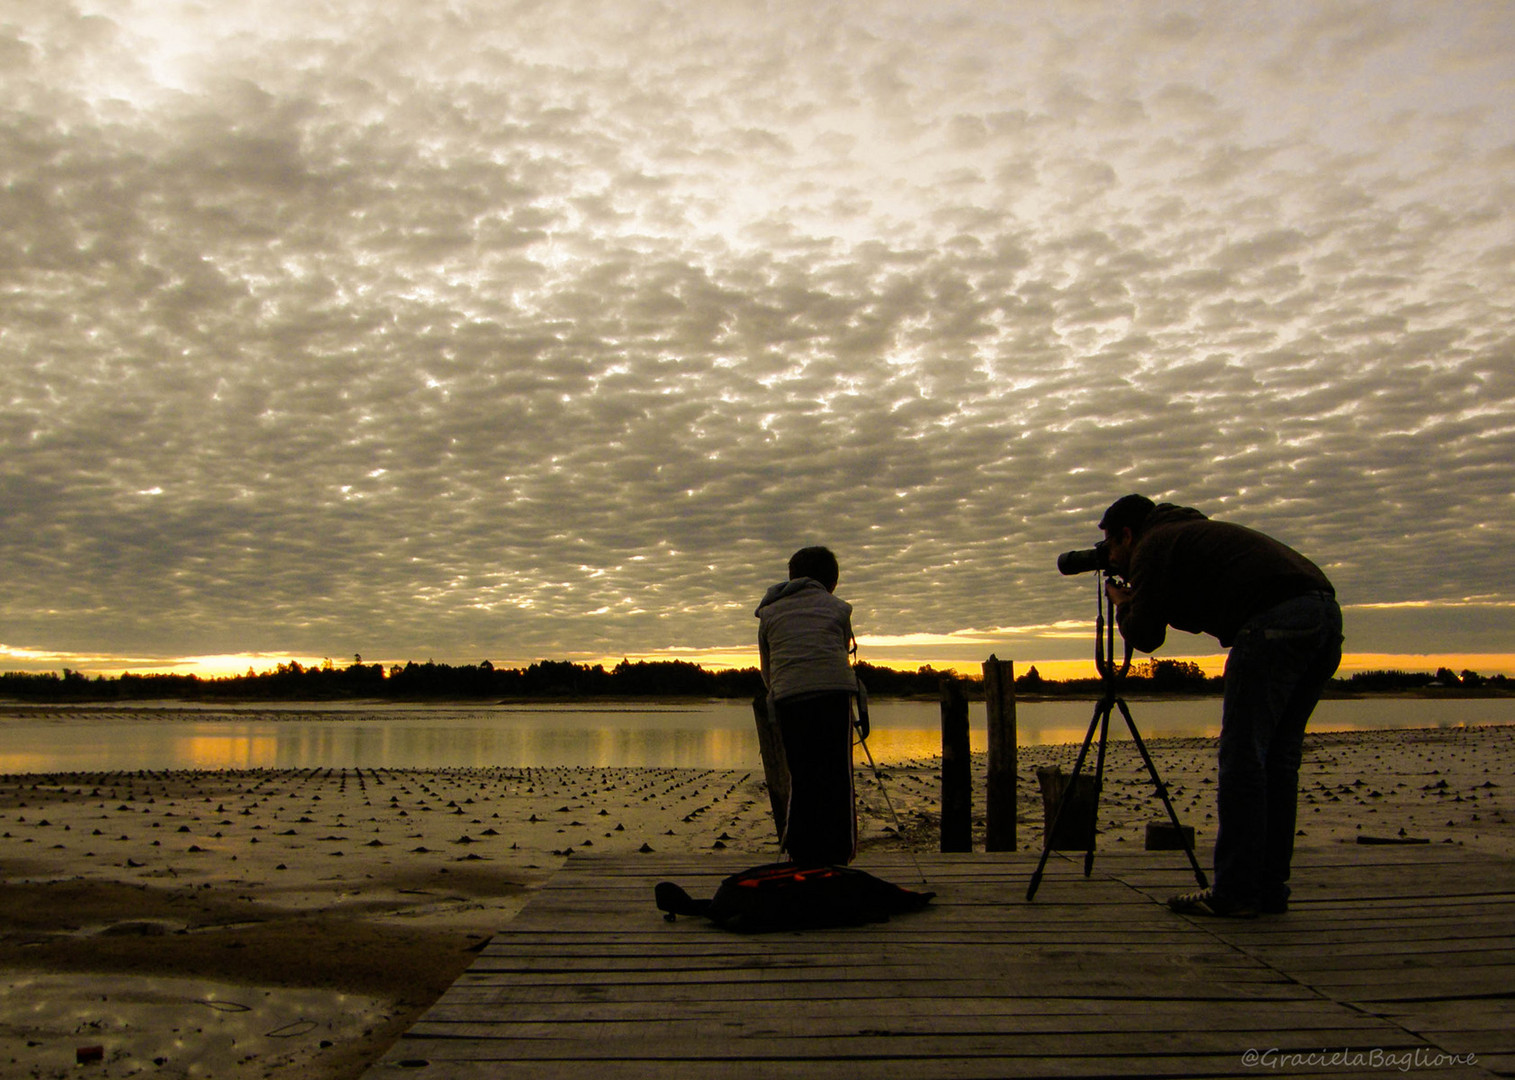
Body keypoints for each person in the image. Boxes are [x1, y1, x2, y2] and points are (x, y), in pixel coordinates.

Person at [1097, 495, 1342, 917]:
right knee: (1279, 761)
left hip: (1272, 624)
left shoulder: (1154, 545)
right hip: (1324, 617)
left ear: (1127, 534)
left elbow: (1146, 635)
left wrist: (1122, 604)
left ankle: (1235, 892)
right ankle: (1267, 889)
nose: (1112, 557)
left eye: (1111, 547)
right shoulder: (1187, 536)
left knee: (1244, 759)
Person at [755, 546, 860, 866]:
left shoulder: (769, 613)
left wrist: (780, 691)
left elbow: (767, 668)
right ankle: (839, 853)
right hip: (833, 696)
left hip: (790, 699)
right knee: (837, 777)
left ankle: (800, 853)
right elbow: (841, 652)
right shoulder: (839, 608)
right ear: (833, 582)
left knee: (801, 777)